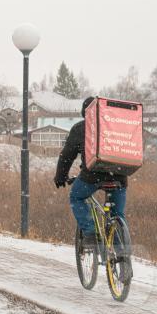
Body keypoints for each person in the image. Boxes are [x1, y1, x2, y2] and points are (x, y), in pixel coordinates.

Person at [53, 97, 127, 249]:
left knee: (76, 197)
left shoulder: (81, 128)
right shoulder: (115, 126)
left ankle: (91, 233)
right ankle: (123, 258)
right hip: (119, 175)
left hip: (92, 176)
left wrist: (60, 176)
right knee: (117, 215)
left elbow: (67, 156)